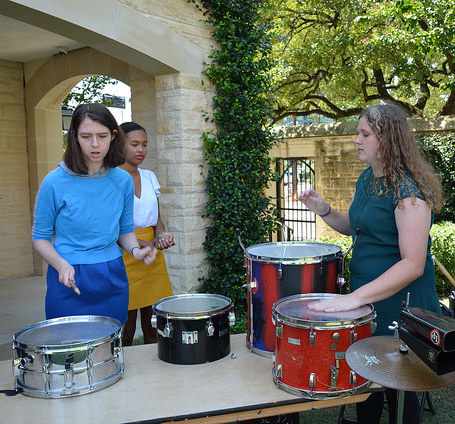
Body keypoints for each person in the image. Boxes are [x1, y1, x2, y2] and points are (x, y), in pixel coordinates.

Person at [298, 104, 444, 424]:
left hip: (403, 308)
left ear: (387, 139)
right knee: (367, 386)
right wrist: (323, 209)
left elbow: (413, 264)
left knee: (400, 395)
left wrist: (354, 298)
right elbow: (353, 224)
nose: (357, 140)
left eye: (364, 134)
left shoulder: (409, 190)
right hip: (369, 301)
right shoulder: (367, 179)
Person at [32, 103, 157, 326]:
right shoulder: (54, 181)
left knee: (110, 351)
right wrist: (61, 265)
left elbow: (125, 231)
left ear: (113, 136)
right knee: (69, 353)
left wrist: (137, 251)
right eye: (86, 136)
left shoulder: (122, 180)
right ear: (74, 137)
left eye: (102, 135)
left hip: (112, 275)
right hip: (68, 276)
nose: (95, 144)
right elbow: (39, 237)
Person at [119, 121, 174, 346]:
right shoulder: (111, 179)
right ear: (120, 145)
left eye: (144, 144)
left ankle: (155, 376)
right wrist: (145, 243)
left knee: (154, 325)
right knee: (127, 328)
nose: (141, 149)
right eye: (134, 144)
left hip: (152, 257)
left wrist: (161, 237)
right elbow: (113, 229)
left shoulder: (150, 176)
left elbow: (157, 219)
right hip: (125, 253)